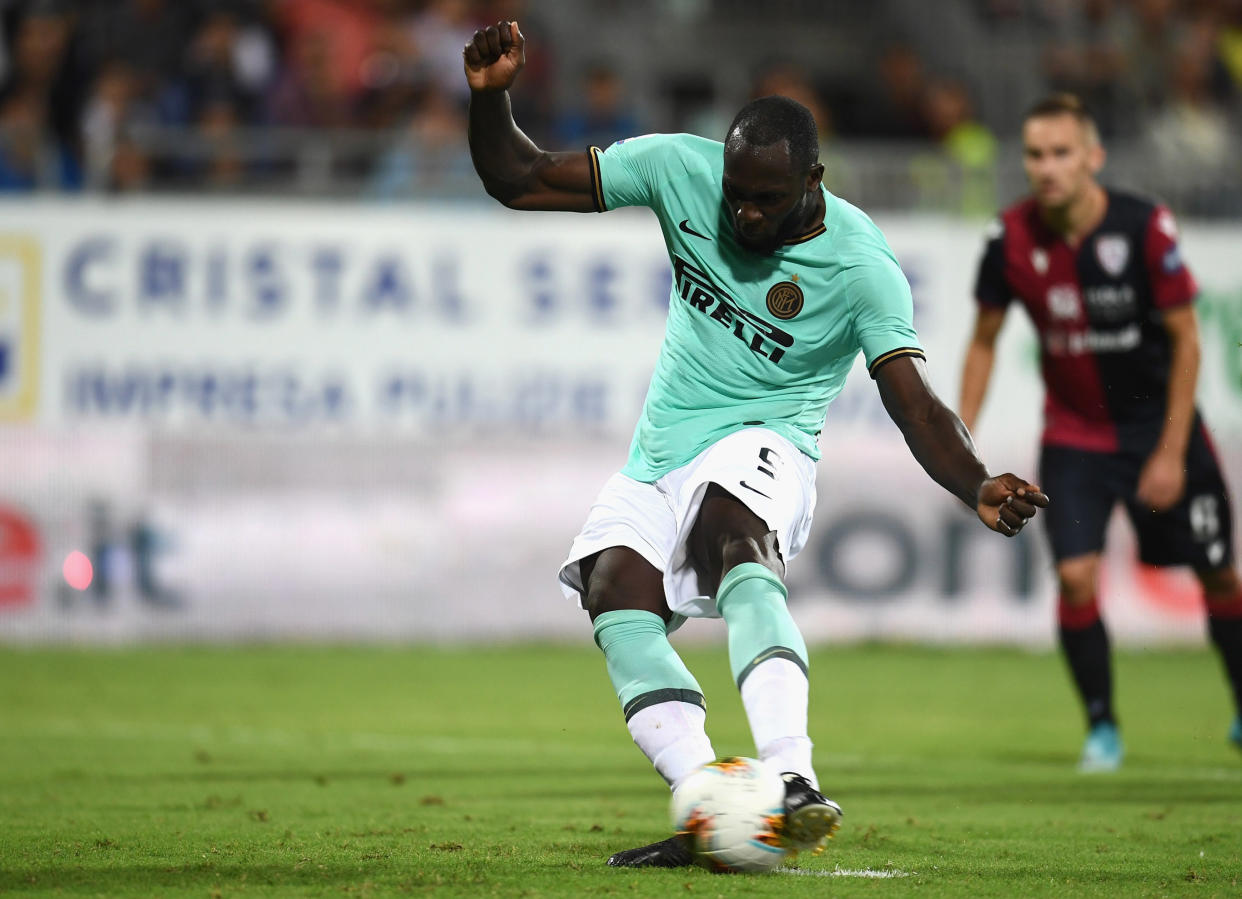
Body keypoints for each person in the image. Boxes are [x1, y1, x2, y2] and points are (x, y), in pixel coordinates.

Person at [464, 21, 1049, 868]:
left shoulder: (860, 266)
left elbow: (914, 402)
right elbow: (518, 180)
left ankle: (794, 776)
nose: (742, 211)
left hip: (768, 440)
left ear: (813, 181)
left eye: (765, 199)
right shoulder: (681, 169)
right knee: (613, 596)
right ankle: (716, 805)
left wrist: (977, 482)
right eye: (736, 192)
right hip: (663, 448)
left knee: (733, 537)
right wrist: (491, 97)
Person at [959, 93, 1242, 773]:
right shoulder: (1009, 240)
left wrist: (1172, 449)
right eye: (1034, 154)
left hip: (1159, 430)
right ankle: (1102, 727)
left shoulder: (1145, 227)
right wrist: (961, 450)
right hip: (1075, 438)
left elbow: (1187, 342)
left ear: (1093, 157)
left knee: (1219, 572)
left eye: (1061, 153)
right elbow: (983, 342)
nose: (1046, 167)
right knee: (1077, 576)